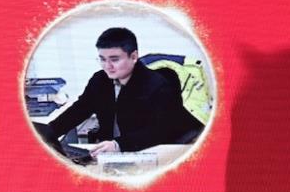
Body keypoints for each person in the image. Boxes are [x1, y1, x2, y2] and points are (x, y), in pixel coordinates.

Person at [34, 26, 204, 159]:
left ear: (134, 56)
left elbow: (160, 130)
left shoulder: (158, 84)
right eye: (102, 59)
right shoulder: (100, 80)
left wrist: (119, 145)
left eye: (114, 59)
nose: (107, 66)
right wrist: (49, 133)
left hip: (149, 152)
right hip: (111, 155)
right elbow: (80, 109)